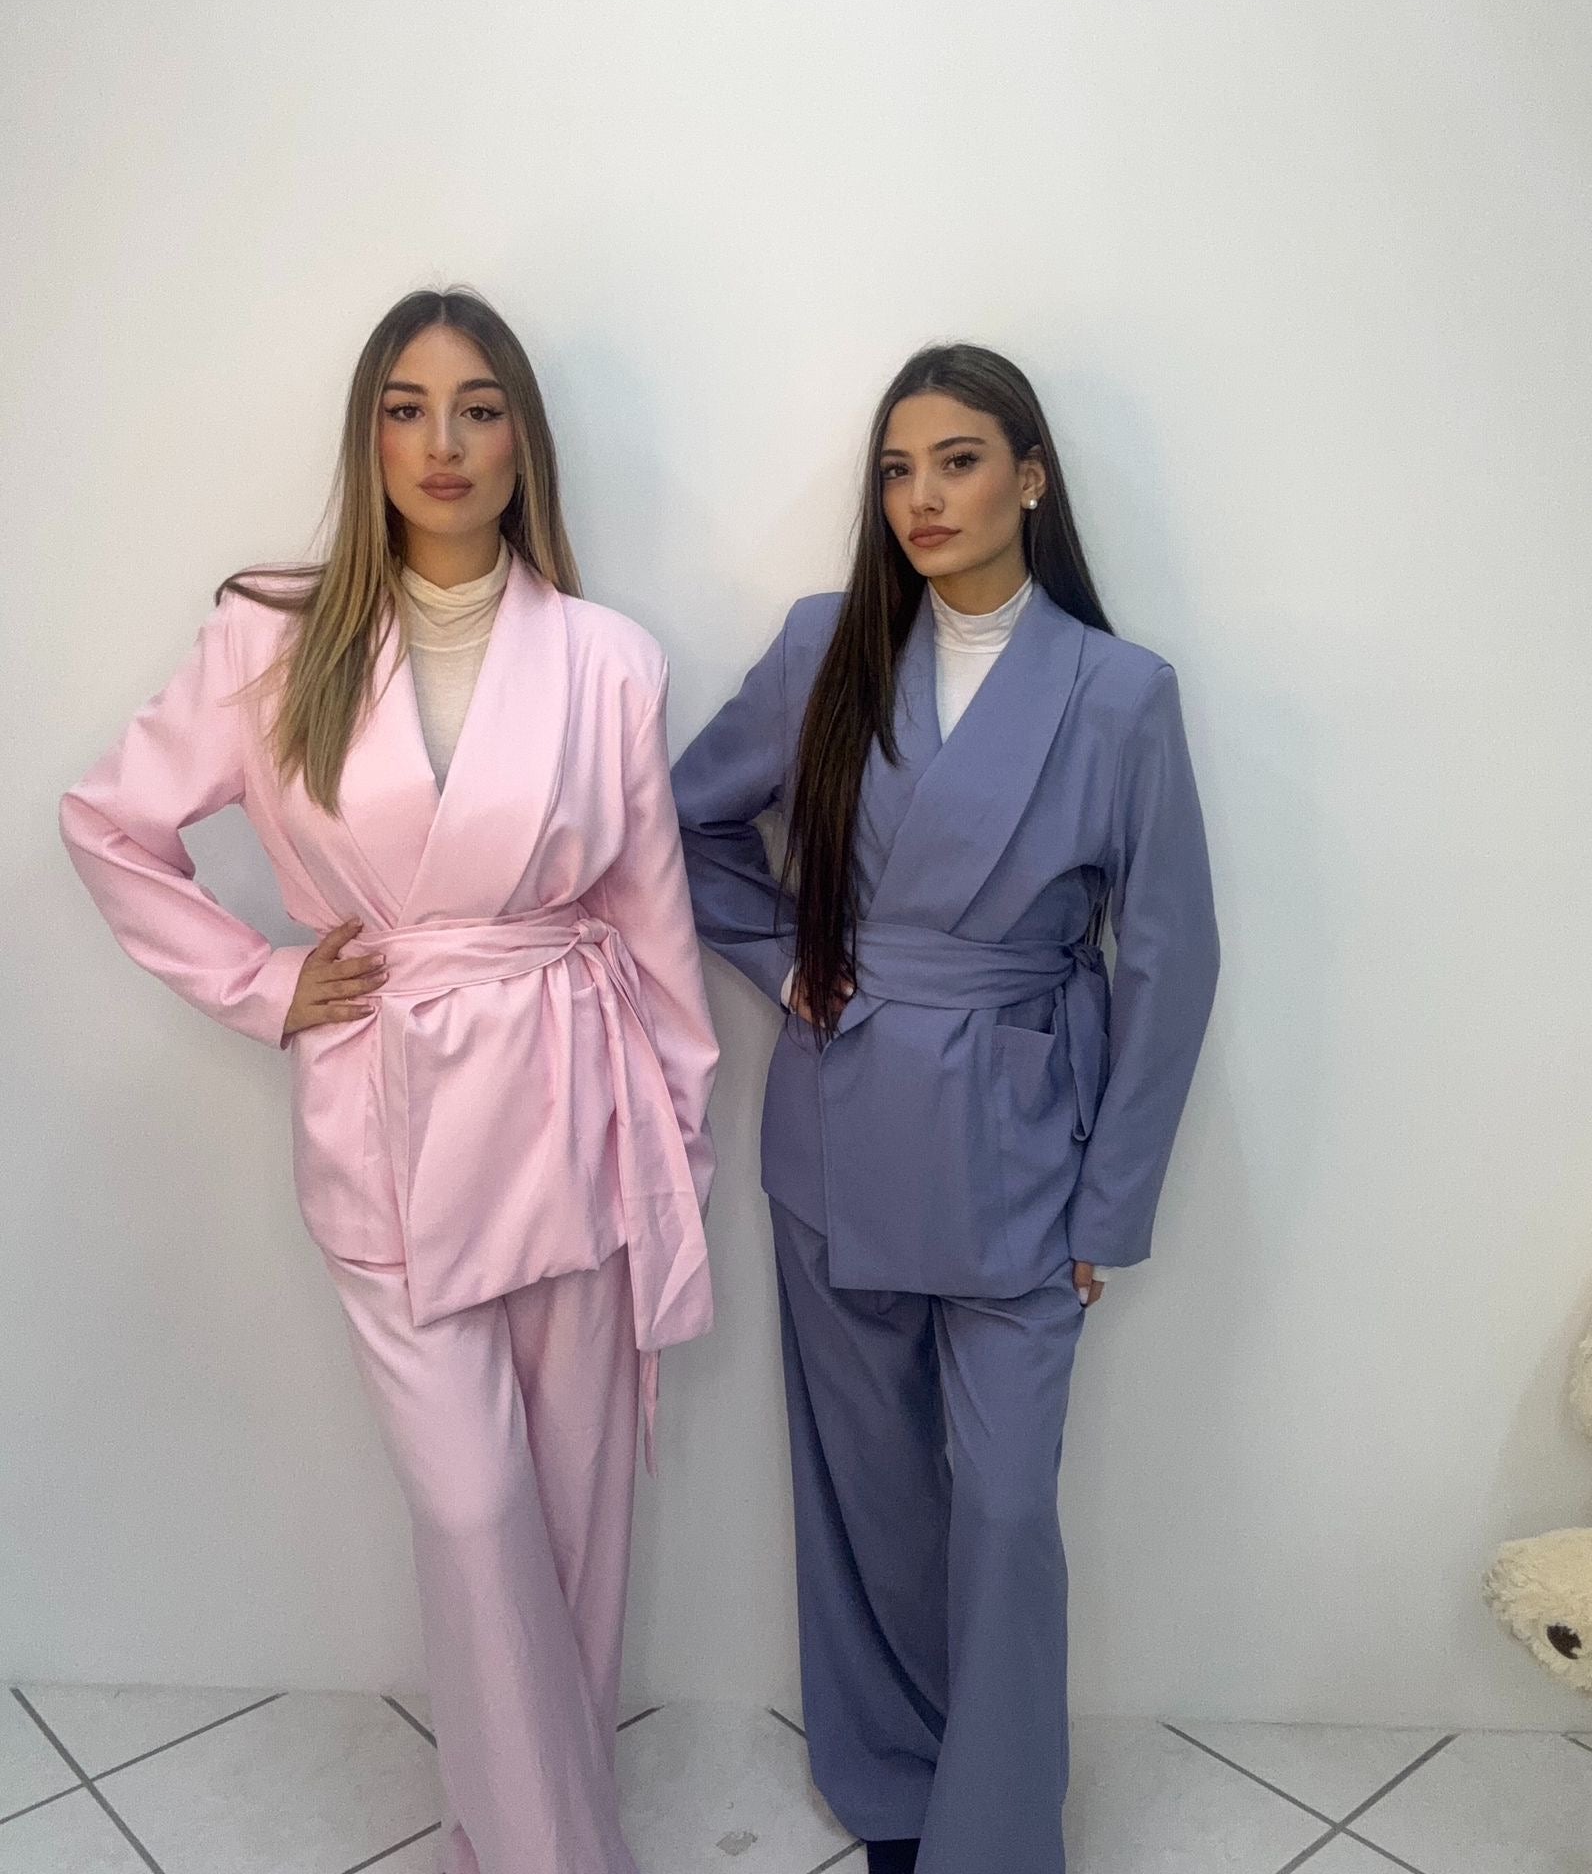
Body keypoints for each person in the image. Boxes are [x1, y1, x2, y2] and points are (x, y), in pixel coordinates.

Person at [60, 286, 717, 1874]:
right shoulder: (271, 639)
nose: (444, 441)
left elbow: (652, 922)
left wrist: (679, 1148)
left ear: (523, 441)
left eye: (479, 408)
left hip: (571, 1109)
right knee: (477, 1511)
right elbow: (109, 824)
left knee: (575, 1521)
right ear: (368, 438)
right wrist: (267, 982)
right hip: (386, 1113)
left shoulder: (608, 660)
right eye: (407, 408)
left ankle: (526, 1833)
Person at [671, 343, 1219, 1874]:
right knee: (873, 1500)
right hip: (838, 1130)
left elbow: (1170, 956)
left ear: (1031, 476)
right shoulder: (826, 646)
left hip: (1023, 1144)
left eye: (959, 460)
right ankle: (898, 1788)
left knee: (1005, 1506)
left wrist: (1113, 1202)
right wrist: (785, 964)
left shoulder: (1119, 694)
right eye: (898, 469)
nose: (922, 495)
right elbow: (684, 820)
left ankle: (997, 1825)